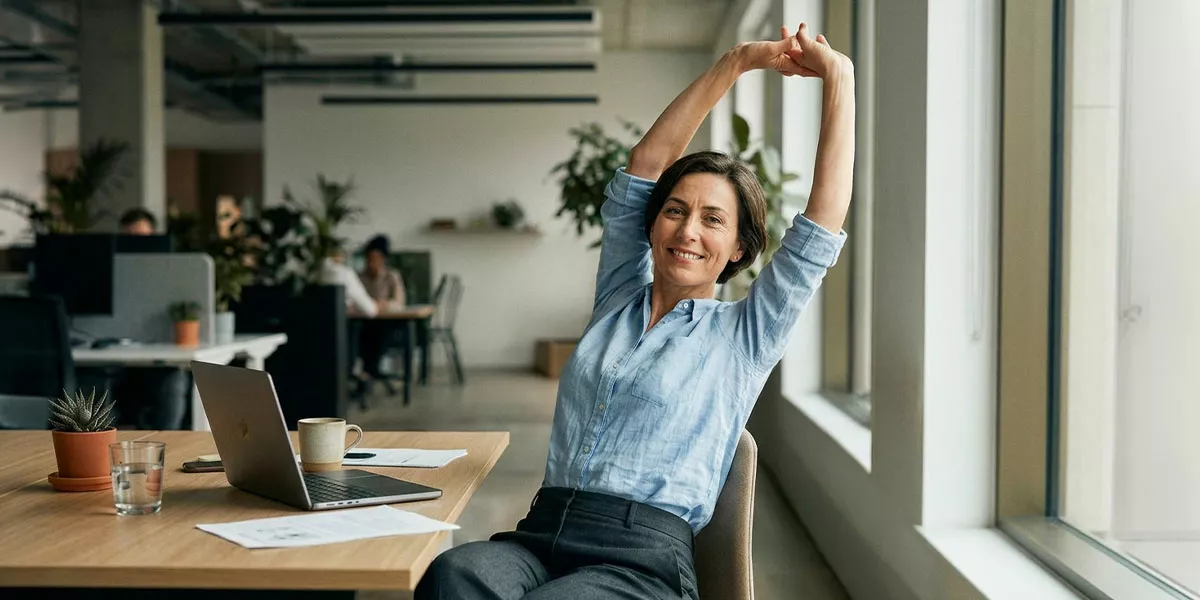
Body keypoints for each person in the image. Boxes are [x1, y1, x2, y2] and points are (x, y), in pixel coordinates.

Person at [416, 22, 853, 600]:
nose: (688, 230)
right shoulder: (619, 296)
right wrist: (737, 62)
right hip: (542, 534)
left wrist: (838, 77)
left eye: (712, 219)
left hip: (641, 562)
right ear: (652, 223)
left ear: (740, 249)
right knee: (455, 574)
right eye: (675, 209)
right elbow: (647, 162)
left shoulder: (745, 334)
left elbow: (821, 225)